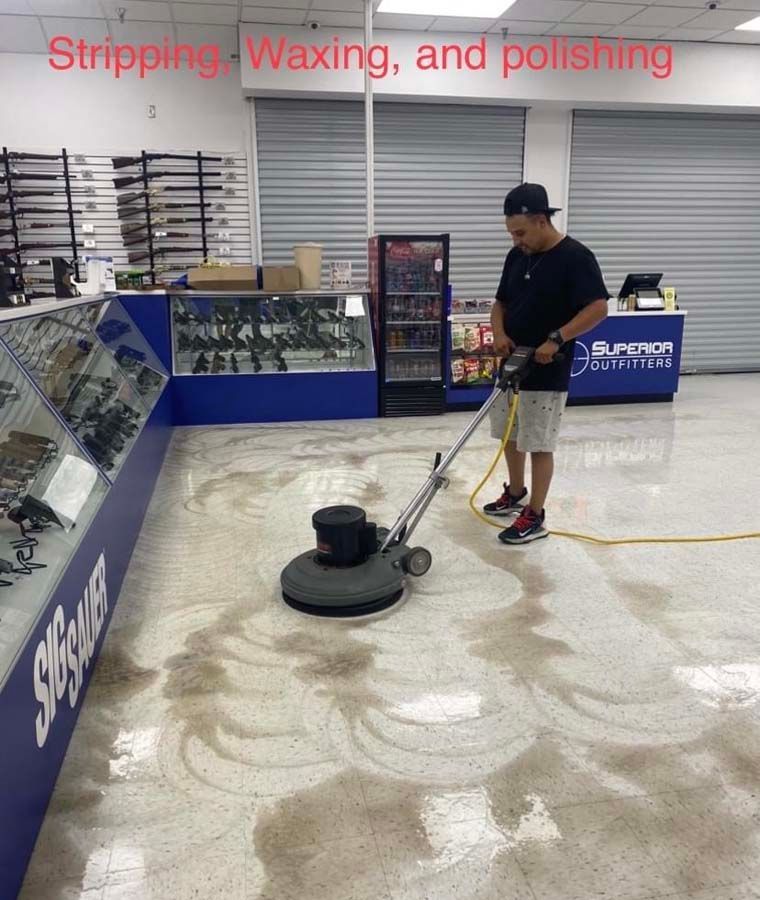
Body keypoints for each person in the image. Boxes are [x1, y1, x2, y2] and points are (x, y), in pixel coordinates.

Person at [484, 182, 609, 544]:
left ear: (541, 220)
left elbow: (598, 307)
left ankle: (535, 514)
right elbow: (500, 303)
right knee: (509, 434)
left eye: (520, 232)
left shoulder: (575, 257)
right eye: (511, 233)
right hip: (511, 362)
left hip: (546, 366)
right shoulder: (517, 256)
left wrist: (557, 338)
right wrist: (498, 334)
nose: (515, 240)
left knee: (538, 442)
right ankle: (516, 492)